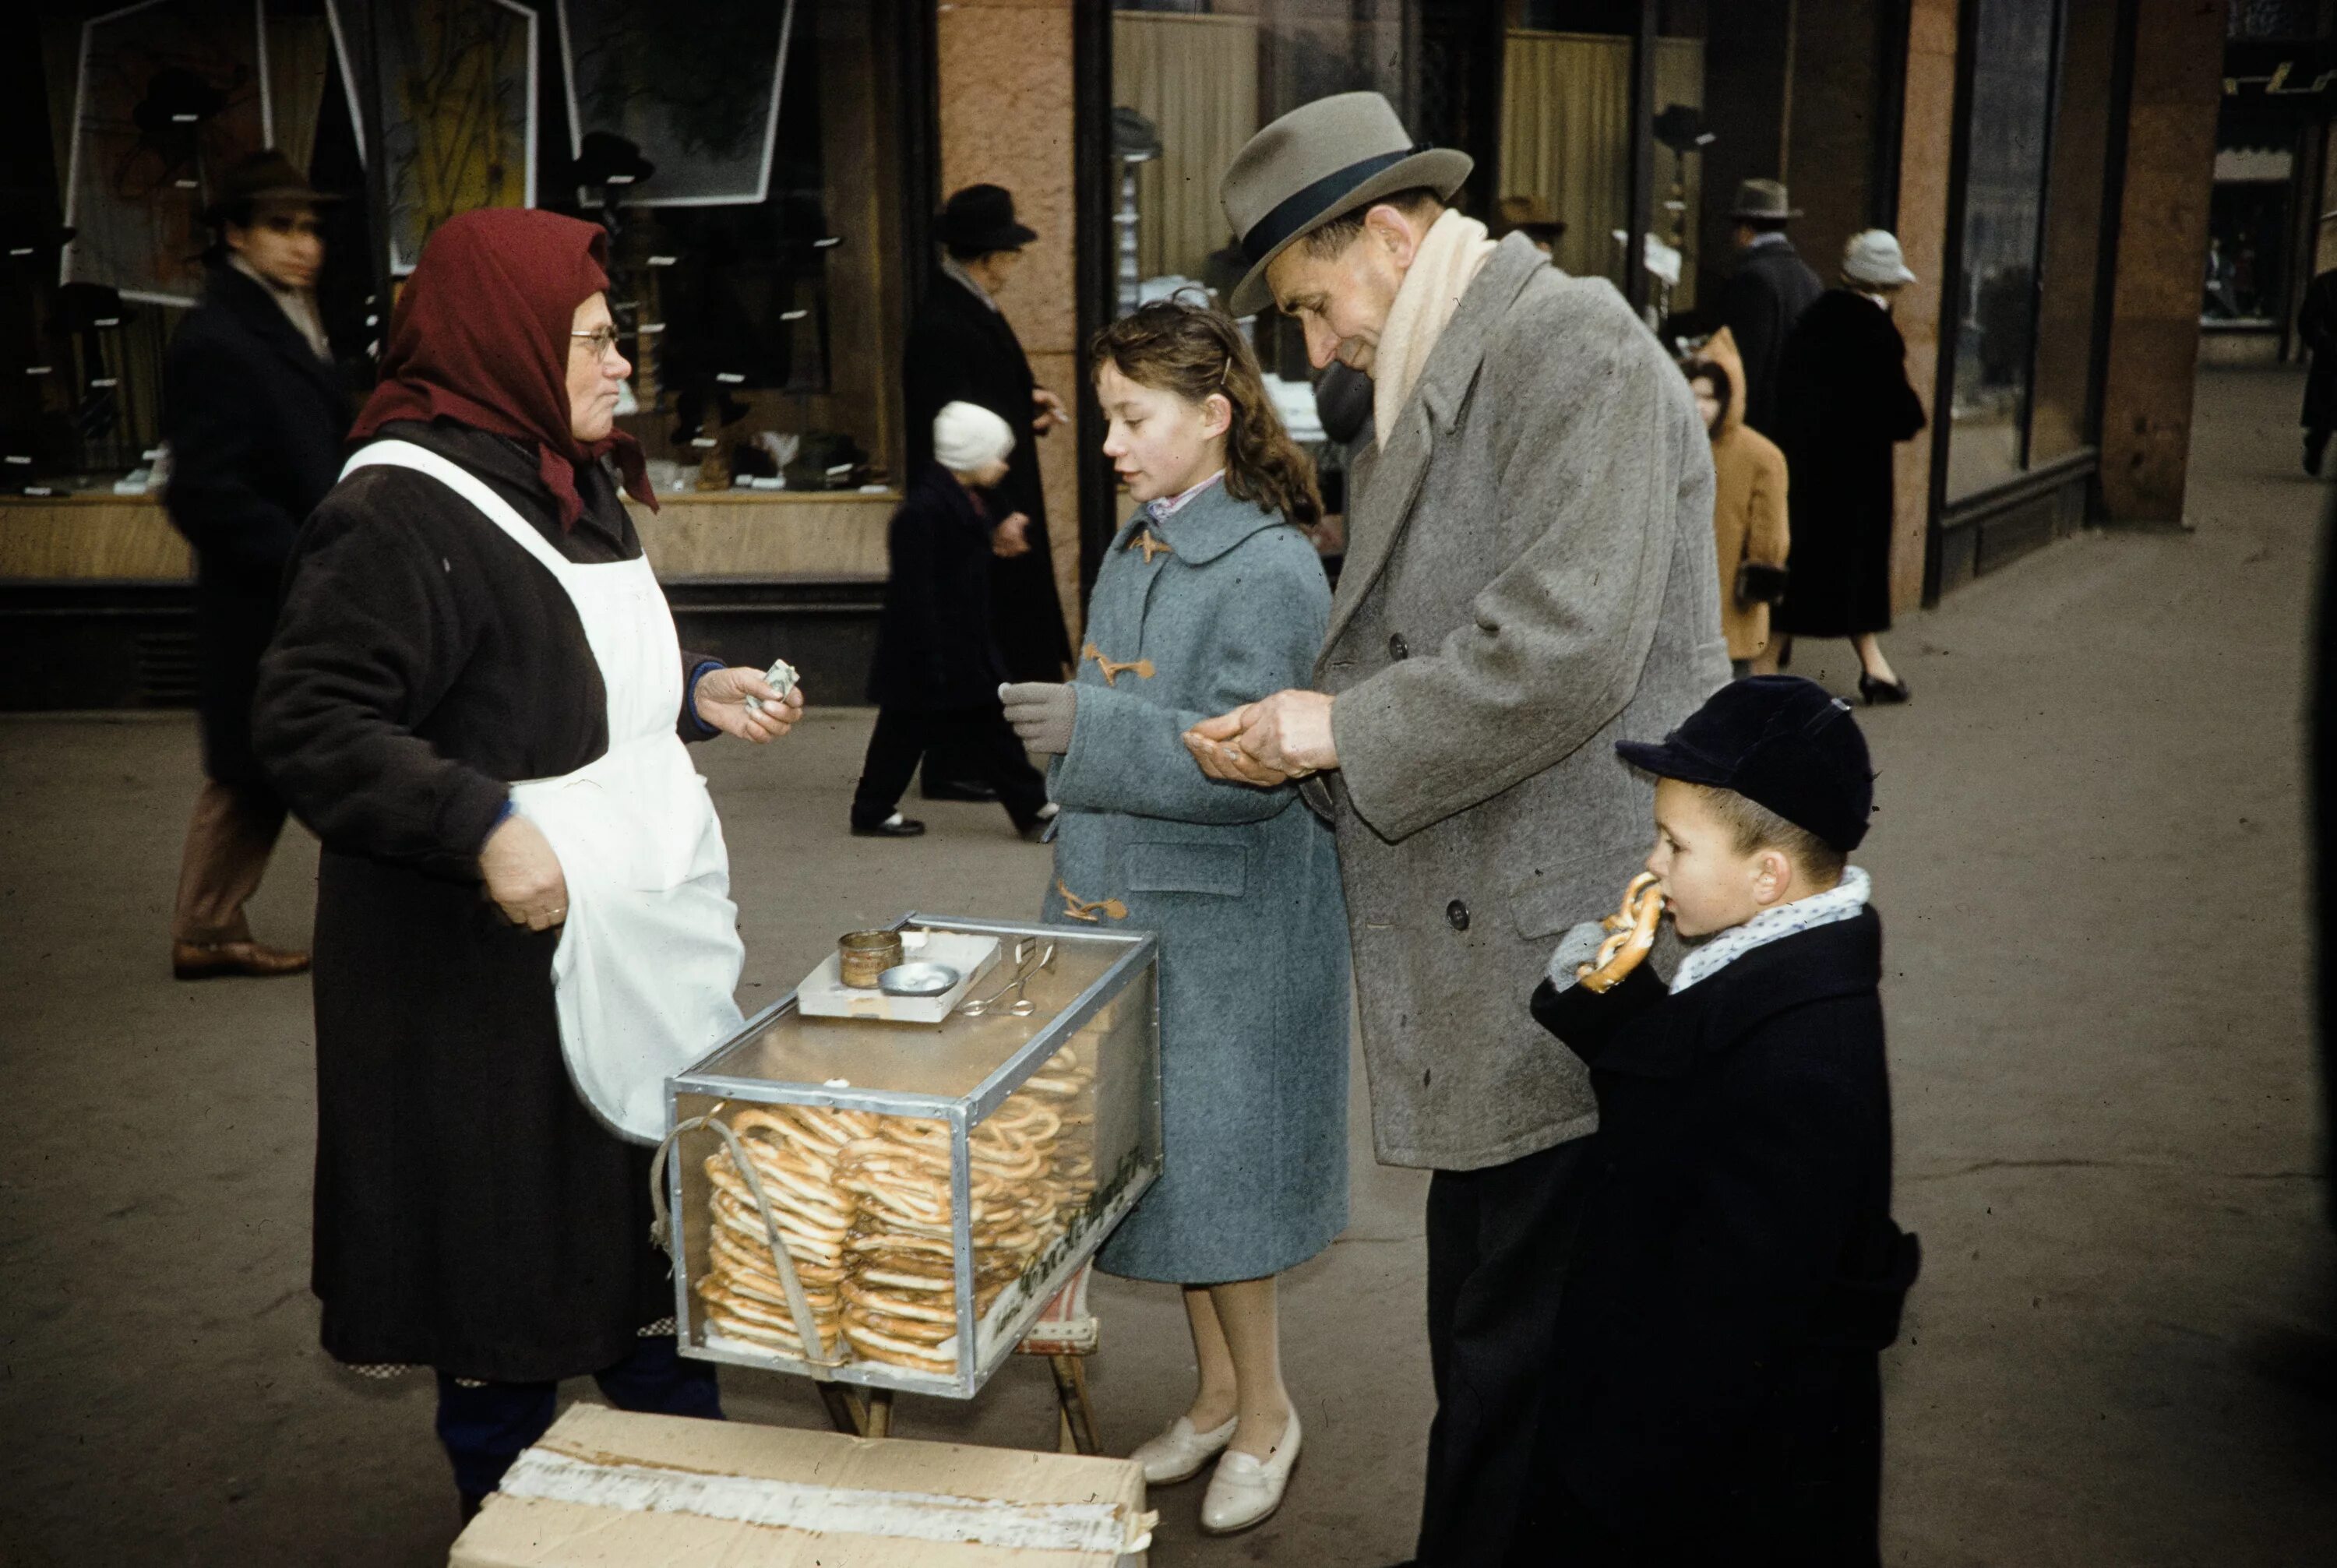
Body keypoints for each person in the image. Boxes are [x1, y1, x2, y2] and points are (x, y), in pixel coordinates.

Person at [1187, 91, 1729, 1566]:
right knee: (1496, 1349)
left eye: (1311, 306)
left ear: (1388, 230)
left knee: (1526, 1374)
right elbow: (1423, 639)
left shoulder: (1574, 345)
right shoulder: (1441, 359)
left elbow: (1565, 646)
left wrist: (1338, 729)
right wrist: (1297, 736)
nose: (1316, 348)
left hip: (1579, 958)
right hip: (1509, 952)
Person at [251, 209, 804, 1514]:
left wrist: (696, 687)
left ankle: (692, 1526)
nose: (624, 367)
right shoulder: (396, 506)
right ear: (506, 341)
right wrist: (482, 823)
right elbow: (309, 720)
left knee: (648, 1279)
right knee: (512, 1301)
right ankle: (511, 1528)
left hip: (625, 955)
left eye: (620, 338)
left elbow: (555, 666)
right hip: (482, 997)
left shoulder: (564, 472)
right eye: (598, 340)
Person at [999, 300, 1348, 1536]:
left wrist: (1091, 731)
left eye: (1132, 418)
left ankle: (1266, 1418)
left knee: (1226, 1196)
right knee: (1177, 1183)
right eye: (1106, 417)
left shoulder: (1265, 565)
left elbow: (1260, 765)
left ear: (1212, 418)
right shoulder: (1144, 543)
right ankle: (1213, 1399)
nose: (1110, 443)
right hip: (1144, 907)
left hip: (1234, 931)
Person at [1510, 675, 1919, 1565]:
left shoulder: (1805, 1062)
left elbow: (1725, 1337)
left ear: (1767, 875)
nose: (1652, 864)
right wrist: (1611, 994)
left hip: (1717, 1494)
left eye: (1674, 844)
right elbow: (1686, 1100)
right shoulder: (1780, 967)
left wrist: (1609, 1481)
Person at [160, 150, 349, 979]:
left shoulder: (279, 313)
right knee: (269, 759)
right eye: (280, 225)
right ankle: (207, 926)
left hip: (283, 584)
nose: (304, 243)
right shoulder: (219, 334)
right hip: (261, 592)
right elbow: (200, 490)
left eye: (311, 226)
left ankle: (207, 925)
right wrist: (301, 558)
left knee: (261, 764)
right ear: (236, 234)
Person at [902, 182, 1073, 802]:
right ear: (988, 256)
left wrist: (1023, 404)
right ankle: (957, 764)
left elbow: (976, 395)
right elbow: (946, 420)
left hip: (991, 496)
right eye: (1010, 252)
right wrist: (995, 513)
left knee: (985, 634)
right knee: (980, 638)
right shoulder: (948, 318)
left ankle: (963, 759)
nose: (1015, 264)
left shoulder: (965, 305)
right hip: (982, 505)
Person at [850, 400, 1052, 840]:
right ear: (971, 458)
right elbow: (916, 595)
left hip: (944, 649)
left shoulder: (954, 500)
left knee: (905, 733)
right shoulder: (927, 511)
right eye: (997, 456)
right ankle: (1033, 810)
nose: (1003, 466)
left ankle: (872, 808)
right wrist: (938, 656)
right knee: (970, 729)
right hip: (938, 650)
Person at [1771, 231, 1928, 703]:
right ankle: (1874, 670)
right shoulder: (1877, 335)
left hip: (1805, 474)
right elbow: (1903, 416)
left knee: (1799, 577)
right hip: (1857, 482)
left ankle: (1765, 668)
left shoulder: (1810, 322)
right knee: (1852, 577)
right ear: (1887, 287)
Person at [1683, 329, 1790, 677]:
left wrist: (1758, 578)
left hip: (1732, 607)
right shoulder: (1676, 447)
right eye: (1692, 395)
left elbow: (1770, 538)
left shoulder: (1760, 456)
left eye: (1710, 397)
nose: (1700, 407)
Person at [1718, 179, 1824, 440]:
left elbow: (1746, 365)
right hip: (1799, 428)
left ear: (1745, 230)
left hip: (1762, 428)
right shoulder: (1811, 279)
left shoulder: (1753, 278)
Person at [2296, 241, 2337, 476]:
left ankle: (2316, 444)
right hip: (2331, 360)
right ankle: (2315, 447)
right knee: (2326, 417)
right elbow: (2308, 321)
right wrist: (2324, 344)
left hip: (2329, 356)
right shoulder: (2327, 284)